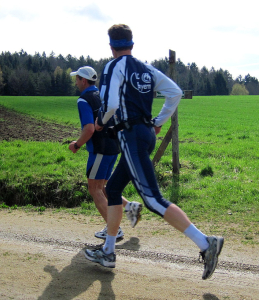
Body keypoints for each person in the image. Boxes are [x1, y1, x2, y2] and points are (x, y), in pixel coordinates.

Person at [84, 24, 224, 280]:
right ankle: (108, 251)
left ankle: (206, 243)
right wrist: (158, 122)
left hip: (130, 135)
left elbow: (111, 103)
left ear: (111, 46)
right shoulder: (146, 69)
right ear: (132, 44)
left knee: (152, 199)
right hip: (145, 134)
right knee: (113, 190)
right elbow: (175, 92)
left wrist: (101, 122)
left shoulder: (113, 66)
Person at [69, 66, 142, 239]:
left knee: (94, 190)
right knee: (104, 187)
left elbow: (89, 129)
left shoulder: (83, 100)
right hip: (113, 147)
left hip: (100, 150)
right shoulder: (103, 95)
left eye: (77, 79)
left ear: (84, 81)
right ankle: (130, 207)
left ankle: (114, 229)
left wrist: (77, 145)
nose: (76, 82)